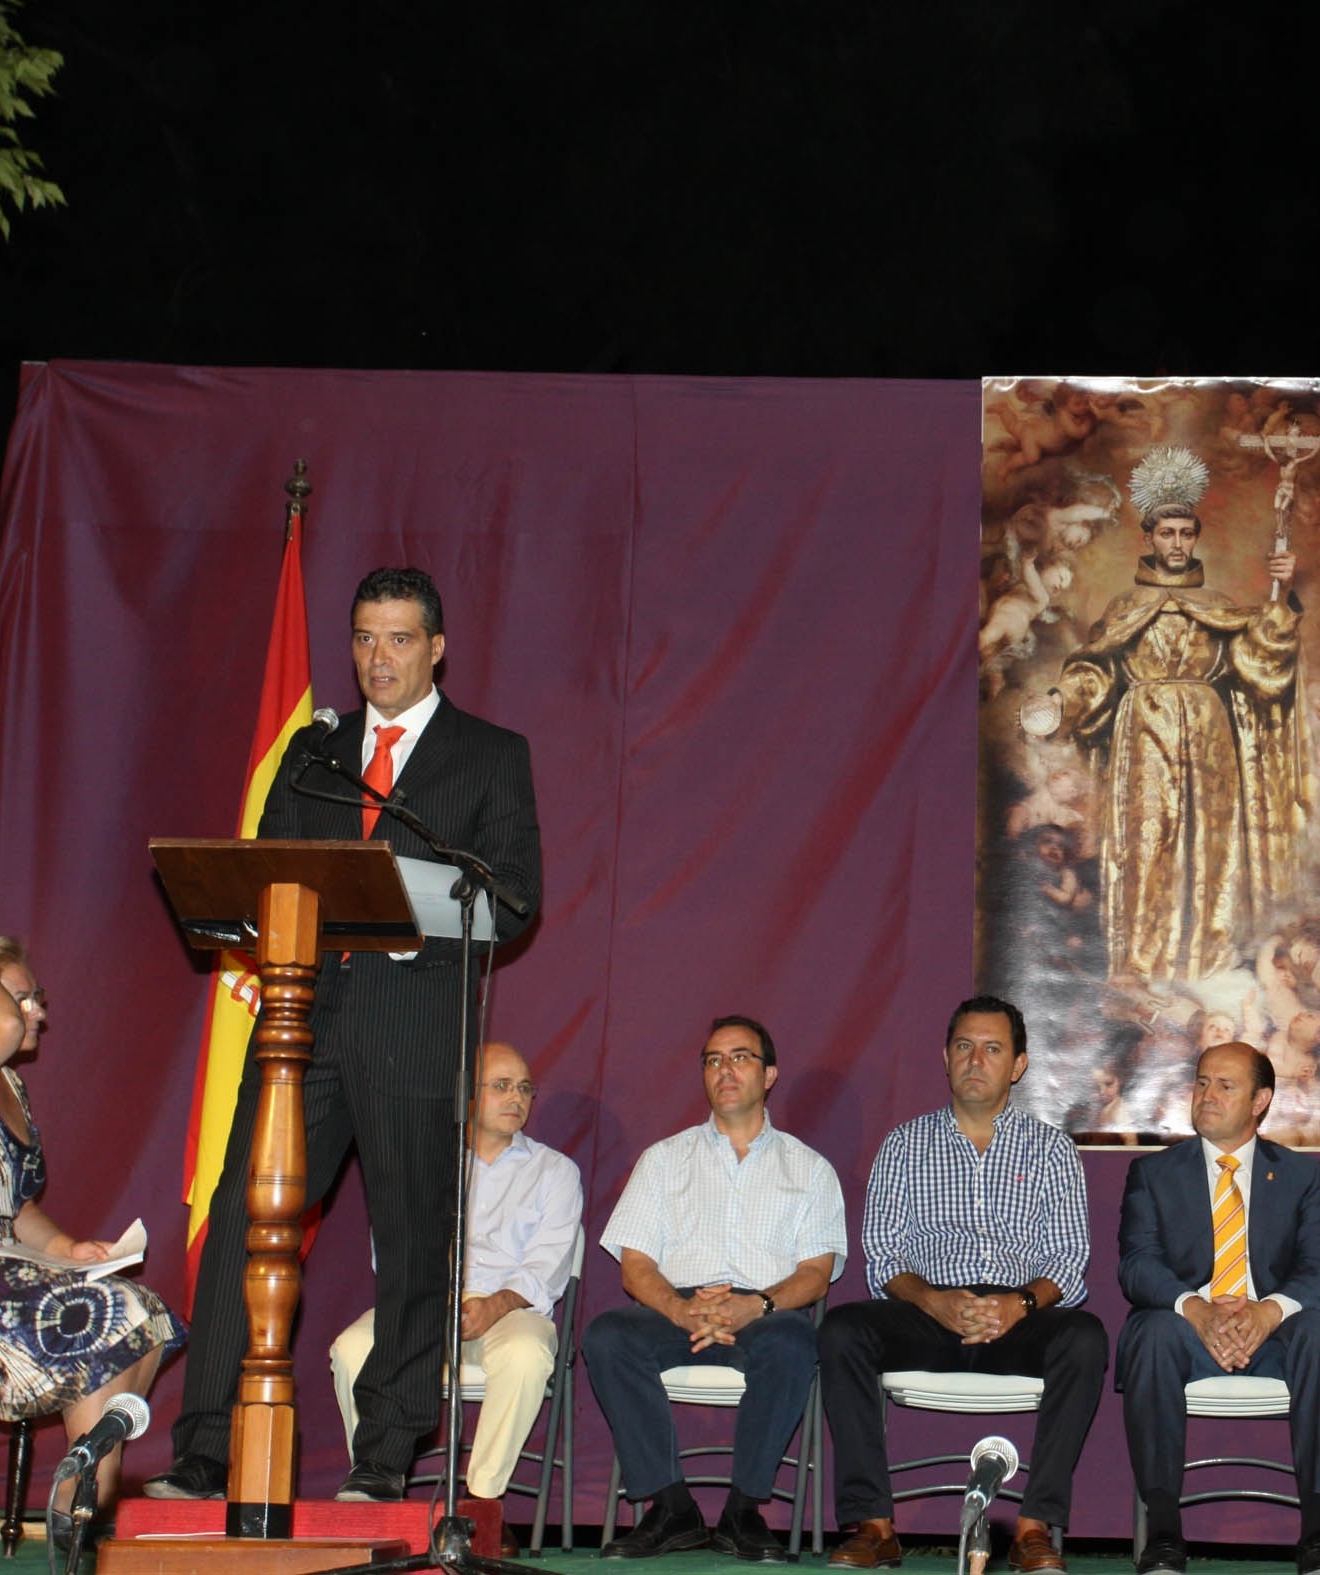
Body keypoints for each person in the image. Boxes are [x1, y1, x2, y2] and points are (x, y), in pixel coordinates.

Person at [151, 566, 543, 1505]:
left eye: (399, 639)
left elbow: (515, 898)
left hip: (415, 1026)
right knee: (246, 1215)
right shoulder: (314, 754)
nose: (379, 657)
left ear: (436, 647)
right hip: (301, 1023)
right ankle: (207, 1451)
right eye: (366, 637)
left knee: (414, 1243)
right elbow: (270, 873)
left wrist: (398, 899)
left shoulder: (489, 753)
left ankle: (384, 1456)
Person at [818, 997, 1105, 1574]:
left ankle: (1032, 1529)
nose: (976, 1060)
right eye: (964, 1047)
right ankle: (874, 1525)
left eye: (993, 1049)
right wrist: (933, 1300)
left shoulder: (1051, 1149)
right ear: (946, 1058)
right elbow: (883, 1255)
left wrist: (1018, 1303)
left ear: (1017, 1065)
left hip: (1019, 1318)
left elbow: (1070, 1260)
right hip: (928, 1311)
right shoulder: (903, 1145)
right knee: (843, 1329)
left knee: (1086, 1337)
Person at [1024, 451, 1304, 985]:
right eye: (1167, 533)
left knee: (1211, 846)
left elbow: (1261, 660)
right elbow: (1097, 670)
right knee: (1148, 842)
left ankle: (1206, 962)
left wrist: (1282, 597)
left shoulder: (1218, 605)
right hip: (1144, 734)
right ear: (1148, 538)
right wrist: (1062, 700)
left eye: (1185, 533)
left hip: (1208, 733)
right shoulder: (1126, 607)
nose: (1177, 543)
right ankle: (1144, 962)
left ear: (1195, 538)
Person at [0, 930, 184, 1528]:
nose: (38, 1014)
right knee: (93, 1313)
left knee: (142, 1309)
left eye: (37, 997)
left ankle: (81, 1496)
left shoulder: (8, 1084)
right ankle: (78, 1516)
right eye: (22, 998)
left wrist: (65, 1247)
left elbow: (14, 1207)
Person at [586, 1015, 844, 1562]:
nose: (725, 1069)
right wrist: (680, 1310)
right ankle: (670, 1506)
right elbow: (635, 1267)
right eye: (713, 1060)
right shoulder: (663, 1160)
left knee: (794, 1342)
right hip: (675, 1304)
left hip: (765, 1308)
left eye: (741, 1057)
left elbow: (816, 1274)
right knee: (608, 1336)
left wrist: (756, 1304)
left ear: (770, 1074)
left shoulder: (810, 1169)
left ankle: (743, 1510)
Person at [1116, 1042, 1320, 1575]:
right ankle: (1165, 1533)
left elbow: (1319, 1271)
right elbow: (1137, 1266)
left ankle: (1318, 1532)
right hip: (1184, 1333)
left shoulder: (1301, 1175)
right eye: (1201, 1082)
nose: (1208, 1095)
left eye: (1225, 1085)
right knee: (1152, 1332)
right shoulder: (1154, 1174)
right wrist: (1196, 1309)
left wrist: (1268, 1314)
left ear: (1260, 1100)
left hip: (1274, 1336)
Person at [328, 1042, 580, 1504]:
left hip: (511, 1310)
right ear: (465, 1095)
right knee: (352, 1348)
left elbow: (548, 1262)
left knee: (526, 1355)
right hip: (427, 1304)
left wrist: (496, 1303)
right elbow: (393, 1253)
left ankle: (481, 1502)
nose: (517, 1099)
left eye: (525, 1089)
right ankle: (376, 1479)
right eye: (502, 1086)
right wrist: (439, 1301)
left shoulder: (554, 1171)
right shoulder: (423, 1163)